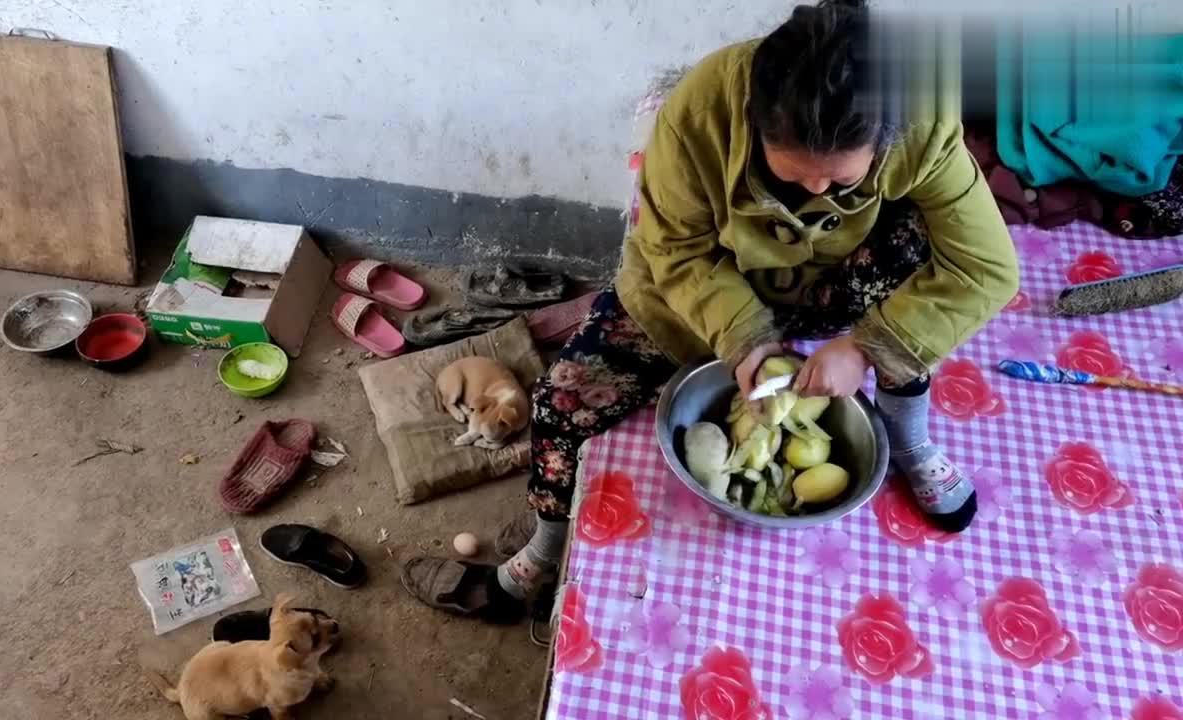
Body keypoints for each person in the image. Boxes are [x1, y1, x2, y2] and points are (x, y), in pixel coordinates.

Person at [401, 0, 1018, 622]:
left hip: (831, 283)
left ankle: (908, 441)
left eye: (837, 182)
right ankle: (545, 547)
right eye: (796, 175)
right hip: (693, 294)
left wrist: (867, 347)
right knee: (560, 403)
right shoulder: (700, 113)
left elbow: (986, 268)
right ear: (755, 120)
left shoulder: (920, 120)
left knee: (917, 264)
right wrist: (748, 340)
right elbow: (676, 250)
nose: (815, 191)